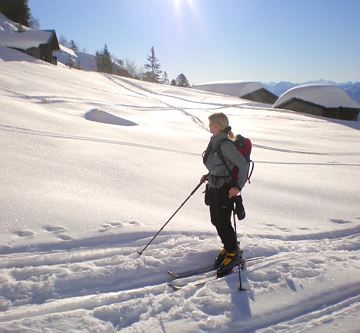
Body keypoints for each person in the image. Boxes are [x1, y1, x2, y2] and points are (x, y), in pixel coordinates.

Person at [202, 112, 249, 277]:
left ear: (220, 126)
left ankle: (233, 253)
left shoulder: (226, 144)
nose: (210, 126)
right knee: (216, 219)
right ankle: (229, 246)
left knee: (222, 221)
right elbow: (219, 164)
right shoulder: (214, 141)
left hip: (225, 189)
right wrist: (209, 175)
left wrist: (237, 186)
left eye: (212, 124)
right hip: (214, 185)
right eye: (210, 124)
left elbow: (243, 165)